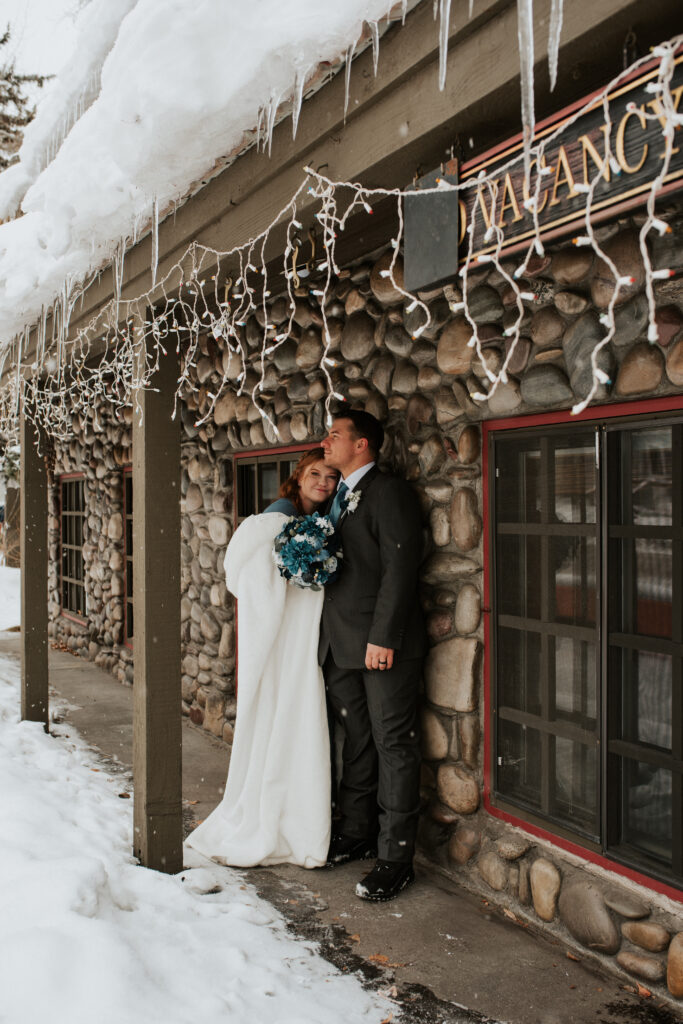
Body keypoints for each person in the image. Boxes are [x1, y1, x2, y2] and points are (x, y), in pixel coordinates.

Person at [186, 448, 339, 868]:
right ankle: (267, 816)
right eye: (314, 473)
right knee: (280, 712)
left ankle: (295, 811)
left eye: (329, 476)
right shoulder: (276, 519)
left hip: (303, 639)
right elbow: (246, 573)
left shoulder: (320, 524)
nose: (322, 482)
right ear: (299, 476)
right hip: (283, 637)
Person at [320, 409, 426, 902]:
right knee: (357, 739)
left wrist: (383, 637)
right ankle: (358, 830)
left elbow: (399, 569)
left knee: (392, 743)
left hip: (381, 647)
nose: (327, 441)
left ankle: (395, 857)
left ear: (362, 445)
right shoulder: (336, 496)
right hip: (341, 644)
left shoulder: (388, 493)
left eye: (335, 435)